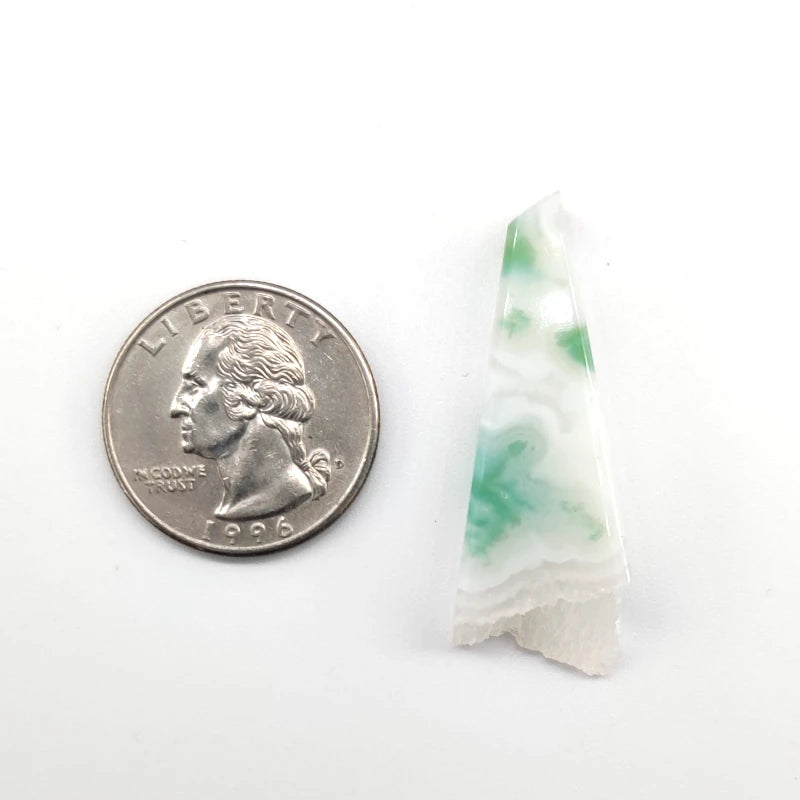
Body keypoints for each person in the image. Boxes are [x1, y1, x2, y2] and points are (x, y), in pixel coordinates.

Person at [170, 314, 330, 520]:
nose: (175, 407)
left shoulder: (279, 497)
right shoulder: (237, 505)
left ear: (246, 399)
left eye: (194, 387)